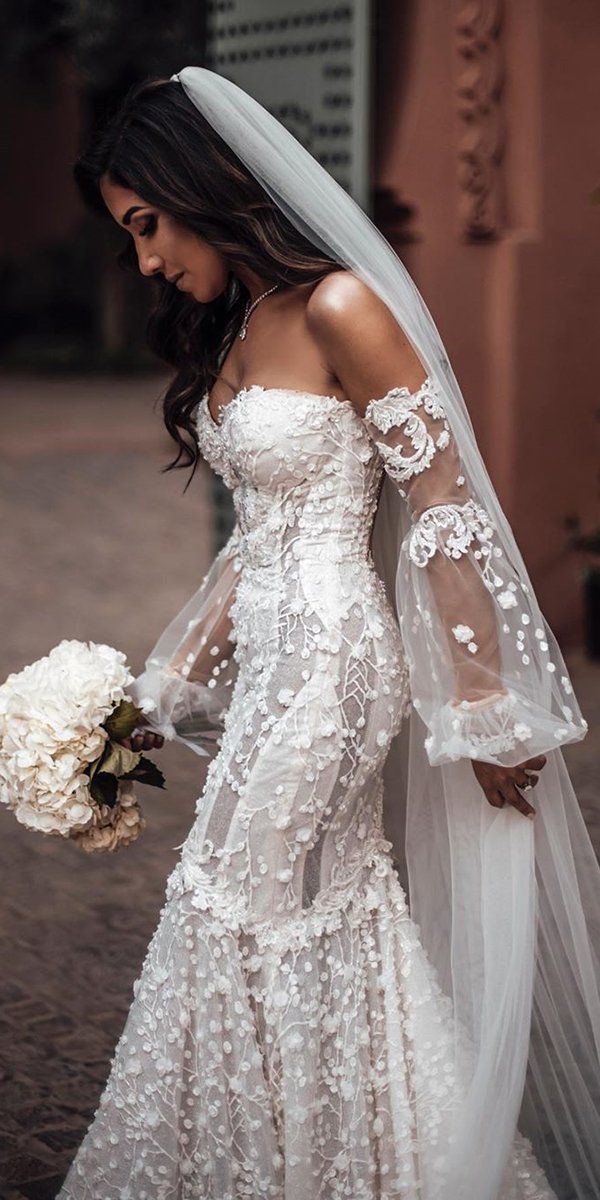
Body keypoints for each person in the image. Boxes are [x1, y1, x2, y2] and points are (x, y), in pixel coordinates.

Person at [56, 68, 600, 1200]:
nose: (147, 260)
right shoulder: (244, 322)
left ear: (201, 185)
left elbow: (446, 505)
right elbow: (253, 546)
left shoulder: (344, 307)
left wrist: (488, 704)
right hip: (276, 671)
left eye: (148, 224)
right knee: (310, 910)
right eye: (130, 238)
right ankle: (368, 1161)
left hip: (336, 677)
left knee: (237, 900)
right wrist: (147, 700)